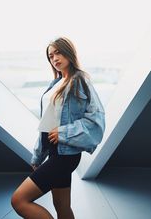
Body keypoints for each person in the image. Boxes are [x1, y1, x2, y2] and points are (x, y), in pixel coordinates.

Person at [11, 36, 106, 219]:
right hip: (54, 152)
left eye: (58, 53)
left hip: (65, 155)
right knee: (62, 206)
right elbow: (46, 123)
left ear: (69, 53)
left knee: (19, 200)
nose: (54, 58)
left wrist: (64, 133)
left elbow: (97, 120)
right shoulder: (55, 84)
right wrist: (38, 155)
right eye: (51, 55)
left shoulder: (80, 81)